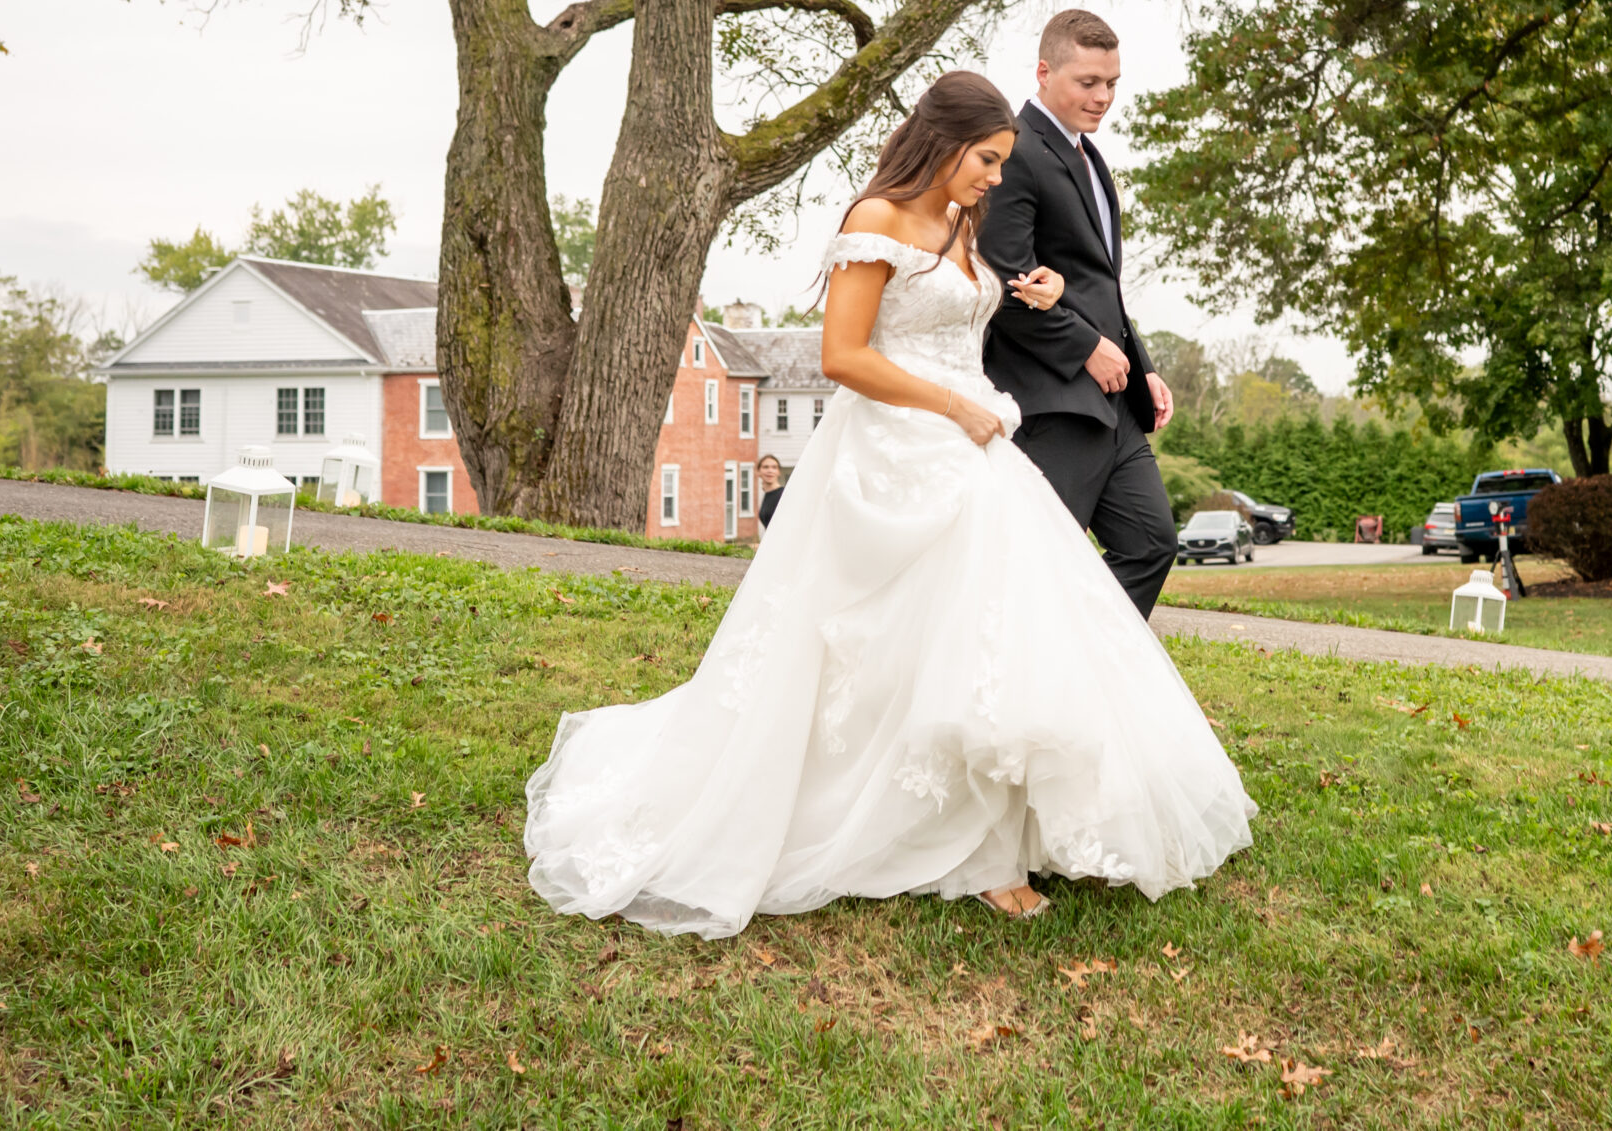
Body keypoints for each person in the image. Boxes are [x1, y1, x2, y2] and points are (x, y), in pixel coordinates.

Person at [521, 71, 1254, 935]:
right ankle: (959, 847)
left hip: (977, 434)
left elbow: (978, 310)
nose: (993, 176)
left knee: (994, 630)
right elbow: (842, 355)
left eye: (1000, 162)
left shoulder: (965, 220)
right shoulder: (874, 220)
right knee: (899, 630)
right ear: (943, 143)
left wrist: (1040, 293)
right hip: (901, 439)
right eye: (985, 158)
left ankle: (996, 830)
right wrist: (951, 407)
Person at [978, 10, 1180, 617]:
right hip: (1052, 400)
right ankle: (1035, 680)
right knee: (1041, 560)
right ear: (1044, 72)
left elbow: (1101, 286)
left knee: (1151, 544)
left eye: (1113, 82)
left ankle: (1090, 676)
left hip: (1115, 404)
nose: (1103, 97)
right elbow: (1004, 281)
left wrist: (1140, 365)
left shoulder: (1090, 158)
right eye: (1088, 81)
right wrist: (1086, 348)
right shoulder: (1014, 153)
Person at [752, 453, 785, 530]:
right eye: (765, 467)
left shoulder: (783, 495)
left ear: (779, 472)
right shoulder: (767, 495)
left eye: (774, 467)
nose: (770, 471)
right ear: (758, 471)